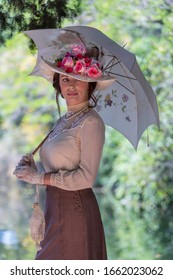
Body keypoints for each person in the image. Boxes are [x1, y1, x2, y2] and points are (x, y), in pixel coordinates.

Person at [13, 43, 115, 260]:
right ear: (58, 84)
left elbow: (86, 178)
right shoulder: (62, 121)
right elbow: (58, 166)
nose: (71, 84)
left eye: (78, 78)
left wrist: (38, 177)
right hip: (53, 210)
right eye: (65, 78)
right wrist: (33, 168)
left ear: (90, 84)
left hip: (75, 212)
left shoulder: (91, 122)